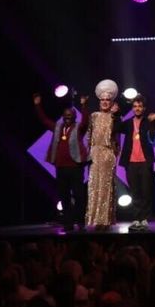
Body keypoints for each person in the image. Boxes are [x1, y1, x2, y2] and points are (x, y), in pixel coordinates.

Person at [32, 92, 89, 231]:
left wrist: (84, 105)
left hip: (76, 166)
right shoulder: (57, 127)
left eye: (70, 115)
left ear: (74, 116)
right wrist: (37, 105)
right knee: (64, 196)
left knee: (79, 195)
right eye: (65, 115)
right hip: (61, 167)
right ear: (63, 117)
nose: (67, 117)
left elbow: (86, 121)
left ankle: (80, 221)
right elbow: (44, 120)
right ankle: (68, 222)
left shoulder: (79, 128)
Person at [116, 94, 155, 231]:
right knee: (135, 191)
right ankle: (136, 218)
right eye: (135, 106)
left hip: (145, 161)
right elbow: (116, 127)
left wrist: (154, 119)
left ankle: (145, 218)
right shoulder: (128, 123)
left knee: (146, 190)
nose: (137, 109)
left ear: (144, 108)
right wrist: (116, 113)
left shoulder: (148, 121)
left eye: (140, 106)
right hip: (130, 162)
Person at [84, 81, 122, 230]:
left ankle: (105, 220)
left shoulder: (115, 118)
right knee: (94, 186)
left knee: (106, 187)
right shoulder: (94, 116)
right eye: (103, 100)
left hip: (107, 153)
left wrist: (115, 116)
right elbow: (89, 135)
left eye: (108, 100)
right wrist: (89, 152)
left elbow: (117, 139)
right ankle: (94, 218)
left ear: (112, 102)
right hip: (95, 153)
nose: (105, 102)